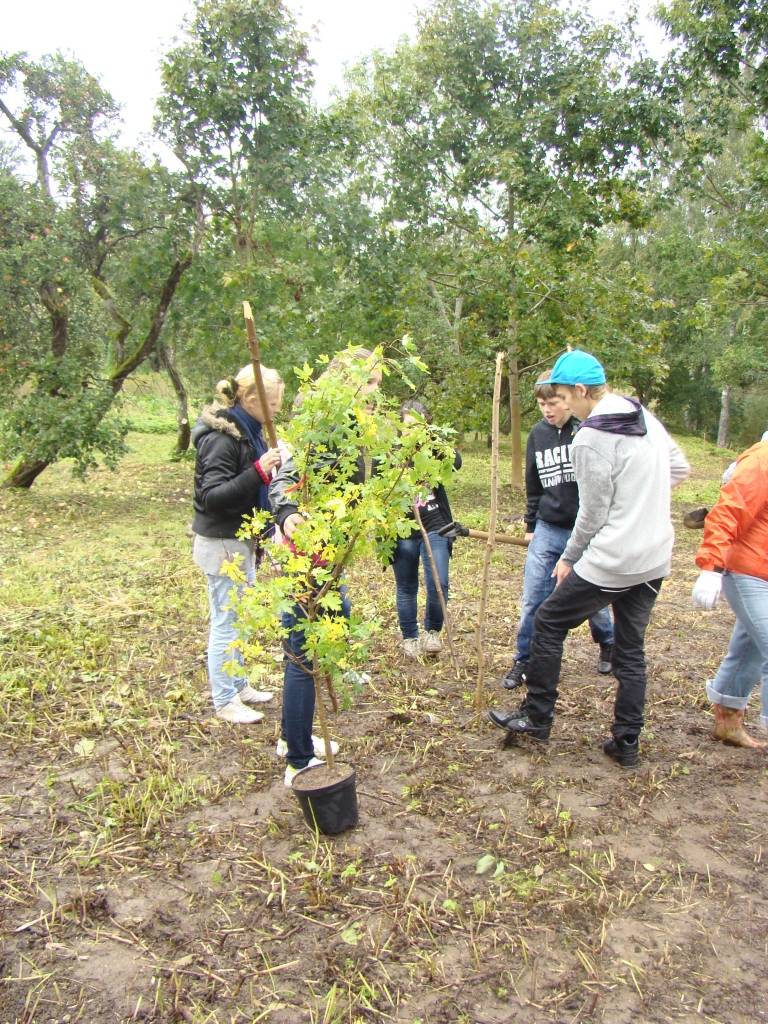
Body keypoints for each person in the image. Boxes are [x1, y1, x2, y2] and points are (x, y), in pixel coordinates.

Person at [489, 349, 690, 768]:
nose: (563, 402)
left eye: (563, 393)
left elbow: (593, 513)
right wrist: (642, 500)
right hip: (655, 555)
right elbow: (679, 467)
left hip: (614, 558)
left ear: (580, 390)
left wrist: (569, 556)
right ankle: (626, 743)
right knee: (631, 650)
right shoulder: (642, 416)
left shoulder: (592, 436)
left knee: (548, 620)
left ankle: (537, 717)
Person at [269, 348, 382, 786]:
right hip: (308, 548)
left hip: (330, 546)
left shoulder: (353, 426)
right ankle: (298, 758)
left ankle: (290, 735)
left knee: (334, 620)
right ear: (345, 382)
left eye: (376, 383)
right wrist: (288, 510)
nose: (374, 393)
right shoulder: (320, 422)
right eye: (369, 383)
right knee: (303, 650)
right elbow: (286, 474)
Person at [500, 372, 614, 690]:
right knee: (534, 597)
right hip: (549, 528)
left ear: (567, 399)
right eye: (541, 404)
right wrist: (530, 525)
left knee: (593, 598)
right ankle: (524, 659)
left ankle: (608, 643)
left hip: (584, 530)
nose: (548, 410)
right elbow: (533, 484)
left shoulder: (586, 431)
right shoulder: (538, 434)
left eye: (553, 402)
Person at [191, 364, 284, 723]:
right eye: (272, 403)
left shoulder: (249, 434)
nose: (276, 410)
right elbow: (213, 496)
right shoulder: (222, 439)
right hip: (222, 542)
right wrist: (258, 471)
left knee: (240, 618)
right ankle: (224, 698)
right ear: (249, 399)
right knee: (226, 621)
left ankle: (239, 683)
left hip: (241, 539)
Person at [692, 439, 768, 749]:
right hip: (747, 569)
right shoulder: (762, 461)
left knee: (750, 647)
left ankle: (727, 721)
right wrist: (711, 567)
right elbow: (728, 512)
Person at [391, 399, 461, 659]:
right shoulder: (389, 453)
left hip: (435, 524)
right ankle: (410, 637)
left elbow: (458, 462)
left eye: (418, 428)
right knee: (407, 586)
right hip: (402, 529)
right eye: (407, 428)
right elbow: (378, 494)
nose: (412, 434)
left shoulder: (433, 450)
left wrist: (434, 442)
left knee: (439, 583)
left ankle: (433, 631)